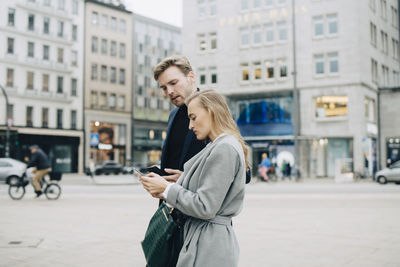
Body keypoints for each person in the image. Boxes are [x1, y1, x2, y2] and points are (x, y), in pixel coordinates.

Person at [140, 90, 248, 267]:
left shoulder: (224, 148)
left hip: (210, 246)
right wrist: (177, 182)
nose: (190, 125)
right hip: (206, 241)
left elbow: (205, 206)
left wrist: (167, 190)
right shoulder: (218, 145)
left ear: (211, 111)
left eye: (193, 117)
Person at [153, 55, 206, 182]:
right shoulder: (173, 114)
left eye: (173, 83)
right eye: (164, 88)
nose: (169, 92)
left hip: (198, 200)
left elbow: (242, 171)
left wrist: (187, 178)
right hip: (169, 199)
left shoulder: (213, 110)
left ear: (191, 77)